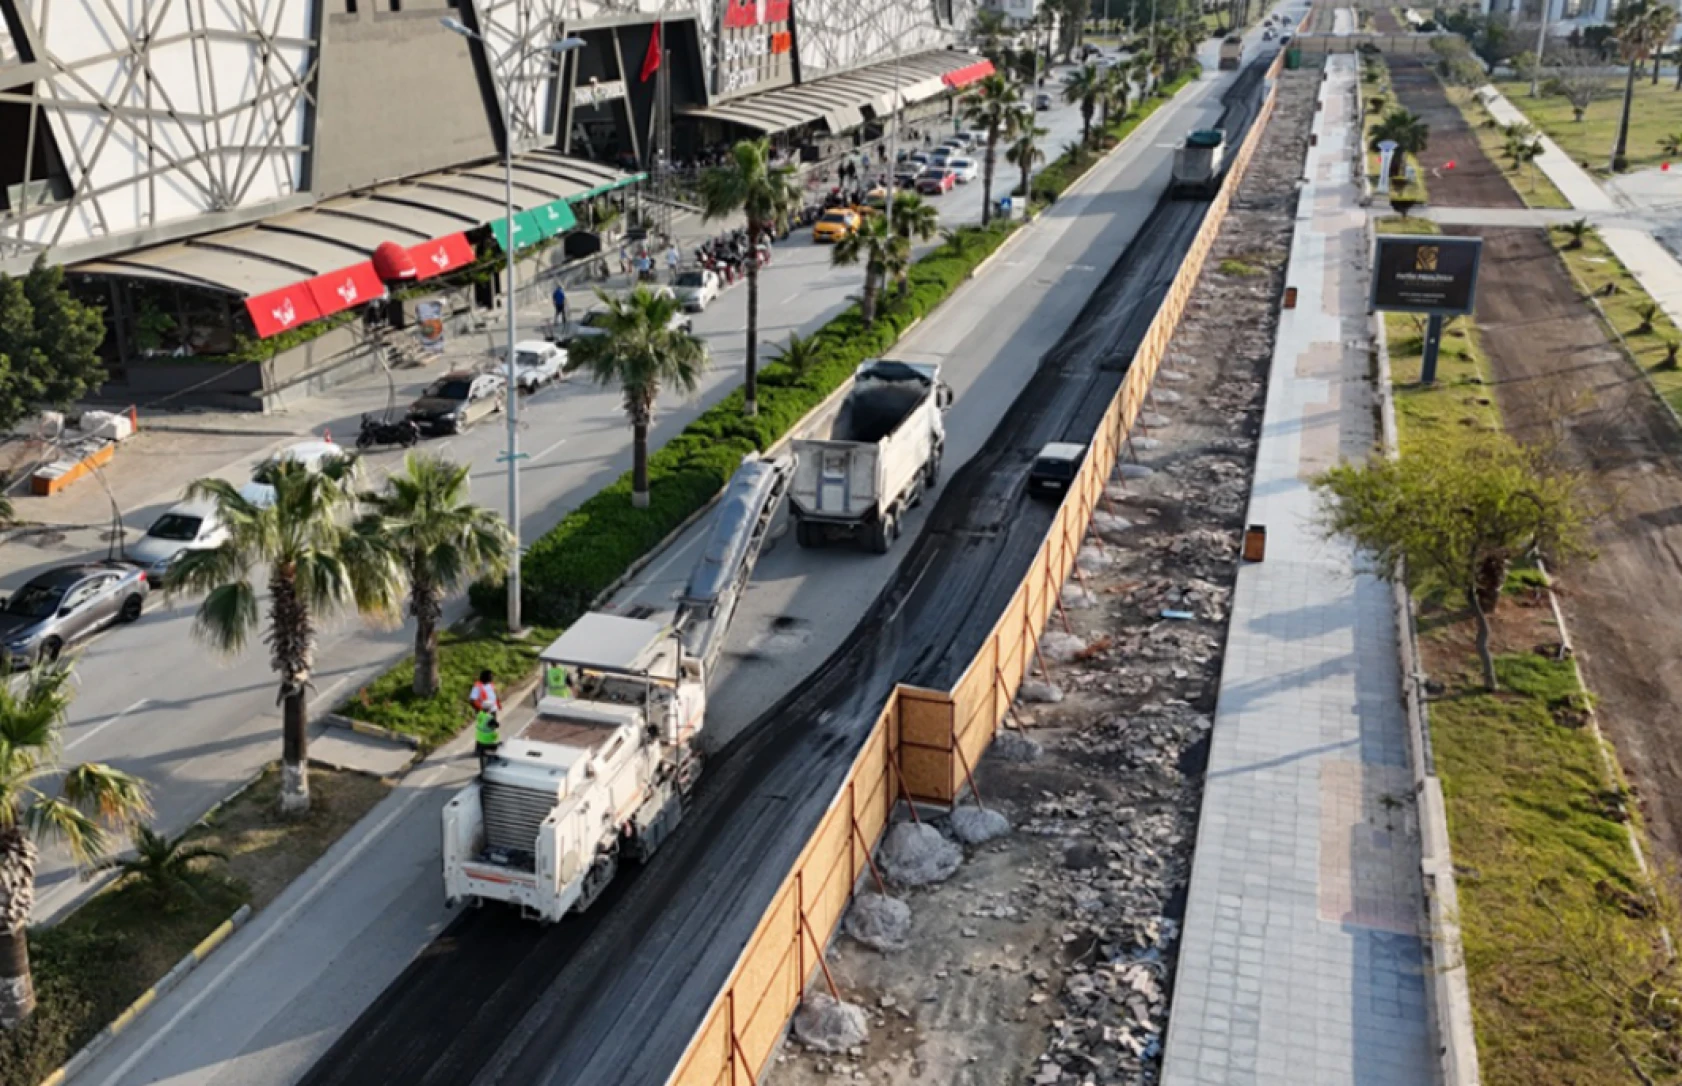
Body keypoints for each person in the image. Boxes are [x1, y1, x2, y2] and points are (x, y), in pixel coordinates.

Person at [470, 669, 501, 767]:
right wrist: (480, 710)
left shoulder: (490, 684)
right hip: (484, 712)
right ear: (484, 677)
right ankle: (480, 749)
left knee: (490, 729)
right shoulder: (477, 686)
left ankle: (487, 747)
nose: (492, 678)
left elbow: (494, 695)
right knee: (483, 730)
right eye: (490, 676)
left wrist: (498, 704)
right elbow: (472, 700)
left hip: (492, 710)